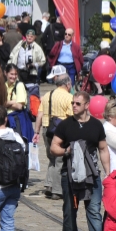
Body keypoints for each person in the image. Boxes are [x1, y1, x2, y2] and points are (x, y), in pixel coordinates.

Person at [50, 91, 111, 231]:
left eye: (77, 103)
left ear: (86, 105)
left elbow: (103, 149)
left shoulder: (96, 125)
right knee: (70, 210)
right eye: (73, 103)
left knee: (94, 210)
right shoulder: (65, 125)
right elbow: (54, 147)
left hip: (92, 175)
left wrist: (108, 172)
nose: (74, 106)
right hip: (70, 175)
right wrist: (66, 150)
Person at [39, 71, 72, 200]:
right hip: (61, 131)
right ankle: (57, 191)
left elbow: (40, 114)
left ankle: (49, 185)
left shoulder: (47, 95)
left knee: (52, 158)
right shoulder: (69, 97)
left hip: (47, 129)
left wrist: (37, 131)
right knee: (60, 160)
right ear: (68, 84)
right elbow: (71, 117)